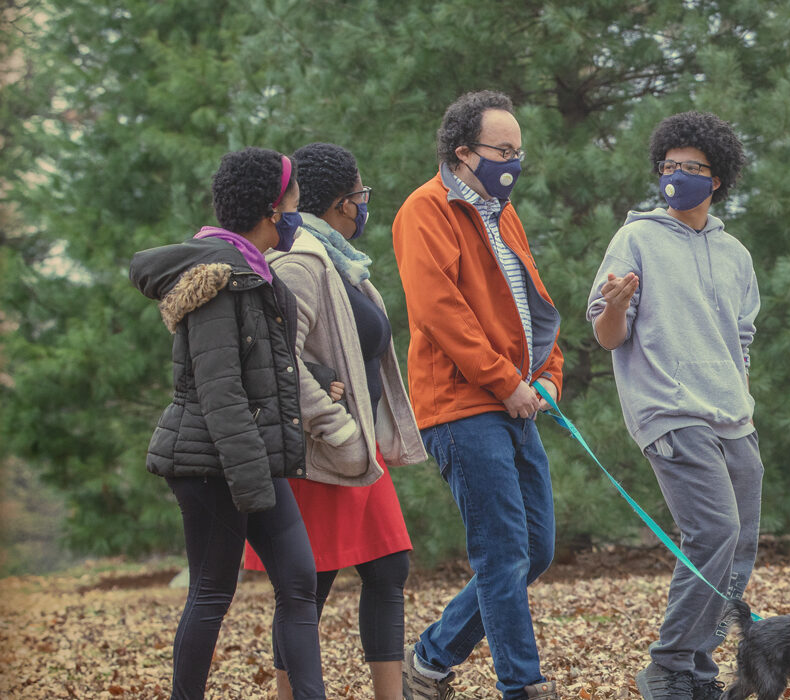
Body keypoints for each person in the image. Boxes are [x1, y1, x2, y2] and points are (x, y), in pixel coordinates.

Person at [129, 147, 326, 700]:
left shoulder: (255, 272)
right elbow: (219, 390)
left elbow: (259, 364)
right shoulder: (218, 277)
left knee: (297, 579)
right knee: (213, 590)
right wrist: (251, 484)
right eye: (293, 201)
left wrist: (318, 374)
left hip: (248, 459)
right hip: (212, 461)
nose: (297, 213)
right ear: (270, 208)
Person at [392, 90, 565, 700]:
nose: (513, 163)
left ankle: (431, 660)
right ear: (463, 152)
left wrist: (546, 376)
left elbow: (534, 307)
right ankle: (522, 686)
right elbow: (440, 312)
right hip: (461, 407)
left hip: (515, 398)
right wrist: (504, 381)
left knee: (535, 550)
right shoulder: (424, 211)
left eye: (519, 152)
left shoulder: (501, 212)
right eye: (503, 150)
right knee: (501, 555)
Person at [240, 142, 428, 700]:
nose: (366, 205)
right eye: (362, 194)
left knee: (388, 568)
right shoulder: (299, 263)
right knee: (309, 585)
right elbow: (276, 355)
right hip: (321, 449)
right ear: (343, 202)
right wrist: (331, 411)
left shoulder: (343, 264)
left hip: (359, 446)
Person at [586, 111, 763, 700]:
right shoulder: (635, 238)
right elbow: (608, 335)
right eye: (670, 166)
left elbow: (741, 338)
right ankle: (668, 666)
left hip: (733, 416)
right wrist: (614, 305)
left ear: (717, 180)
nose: (677, 176)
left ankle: (697, 671)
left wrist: (745, 399)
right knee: (713, 531)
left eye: (692, 168)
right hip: (669, 409)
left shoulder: (735, 253)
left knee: (738, 547)